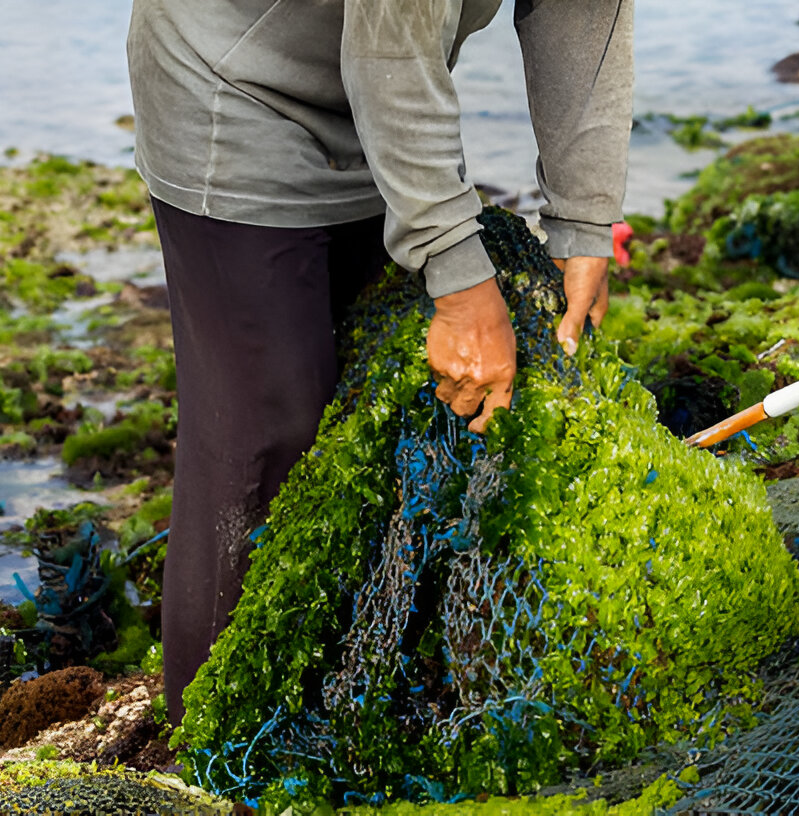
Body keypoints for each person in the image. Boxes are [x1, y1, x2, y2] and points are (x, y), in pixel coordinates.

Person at [125, 0, 633, 728]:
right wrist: (458, 281)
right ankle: (206, 750)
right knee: (270, 432)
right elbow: (390, 51)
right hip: (233, 84)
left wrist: (584, 218)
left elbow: (580, 9)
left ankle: (334, 712)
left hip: (381, 105)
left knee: (366, 421)